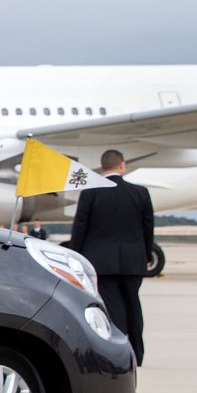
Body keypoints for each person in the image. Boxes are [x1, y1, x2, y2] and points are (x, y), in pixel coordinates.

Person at [69, 149, 155, 365]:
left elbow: (80, 227)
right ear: (122, 166)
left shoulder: (90, 192)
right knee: (133, 304)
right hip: (133, 261)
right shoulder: (140, 193)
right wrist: (145, 256)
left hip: (101, 260)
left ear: (102, 167)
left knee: (111, 306)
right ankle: (138, 353)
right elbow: (148, 228)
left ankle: (116, 354)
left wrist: (76, 255)